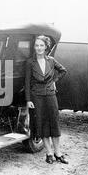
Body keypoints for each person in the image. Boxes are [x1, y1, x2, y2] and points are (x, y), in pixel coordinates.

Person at [25, 35, 68, 164]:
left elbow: (63, 71)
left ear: (46, 47)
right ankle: (49, 153)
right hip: (37, 97)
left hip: (50, 95)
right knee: (42, 124)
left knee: (54, 123)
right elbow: (27, 83)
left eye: (41, 45)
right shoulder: (30, 63)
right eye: (37, 45)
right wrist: (28, 100)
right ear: (34, 47)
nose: (39, 48)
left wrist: (54, 81)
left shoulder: (51, 61)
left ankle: (58, 153)